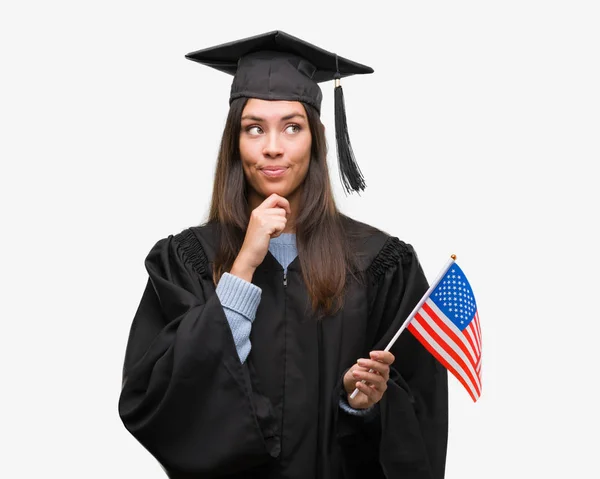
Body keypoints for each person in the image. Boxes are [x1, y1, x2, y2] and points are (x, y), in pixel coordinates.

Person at [118, 30, 448, 479]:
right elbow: (156, 397)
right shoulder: (188, 259)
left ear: (316, 138)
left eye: (292, 126)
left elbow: (420, 412)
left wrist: (361, 406)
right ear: (235, 141)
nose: (273, 146)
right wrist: (243, 267)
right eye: (255, 128)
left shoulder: (379, 263)